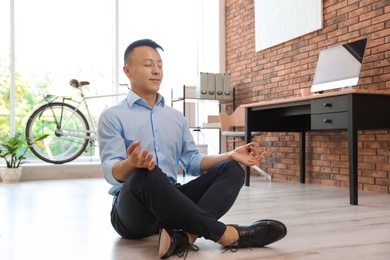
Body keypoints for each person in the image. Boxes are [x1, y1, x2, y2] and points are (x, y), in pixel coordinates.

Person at [97, 38, 287, 259]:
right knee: (144, 173)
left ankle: (184, 237)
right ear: (127, 71)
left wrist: (230, 155)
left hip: (173, 203)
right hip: (134, 213)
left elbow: (193, 162)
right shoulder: (112, 116)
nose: (156, 71)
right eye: (148, 65)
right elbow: (110, 172)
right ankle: (227, 234)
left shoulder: (176, 118)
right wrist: (131, 164)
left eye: (159, 65)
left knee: (233, 168)